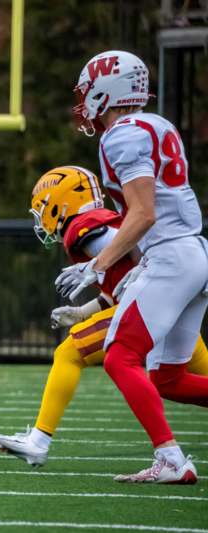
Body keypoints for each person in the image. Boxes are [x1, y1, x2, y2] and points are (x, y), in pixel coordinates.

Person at [0, 166, 208, 467]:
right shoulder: (99, 224)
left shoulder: (83, 227)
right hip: (170, 298)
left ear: (59, 202)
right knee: (177, 380)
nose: (41, 218)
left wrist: (145, 268)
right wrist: (80, 312)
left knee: (69, 353)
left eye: (42, 208)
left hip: (157, 295)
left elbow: (134, 247)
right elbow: (115, 291)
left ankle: (39, 440)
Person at [56, 50, 208, 484]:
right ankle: (170, 458)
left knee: (121, 357)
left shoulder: (122, 134)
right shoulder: (155, 124)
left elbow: (143, 213)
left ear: (107, 91)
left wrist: (97, 265)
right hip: (190, 252)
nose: (84, 103)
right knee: (168, 378)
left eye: (88, 93)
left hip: (173, 256)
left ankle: (172, 459)